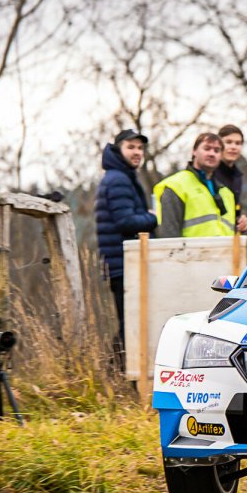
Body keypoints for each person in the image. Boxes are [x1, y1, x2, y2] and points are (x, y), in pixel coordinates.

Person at [95, 129, 158, 356]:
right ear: (118, 149)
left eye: (140, 148)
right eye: (131, 147)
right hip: (123, 263)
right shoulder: (118, 179)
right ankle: (118, 373)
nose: (137, 152)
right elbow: (126, 221)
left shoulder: (123, 176)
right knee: (130, 323)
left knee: (130, 321)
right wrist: (153, 217)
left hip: (125, 262)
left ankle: (119, 373)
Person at [154, 133, 236, 237]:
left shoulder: (227, 194)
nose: (212, 154)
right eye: (207, 148)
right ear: (194, 151)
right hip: (189, 253)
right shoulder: (176, 186)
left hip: (222, 253)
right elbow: (169, 234)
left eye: (217, 150)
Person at [214, 125, 247, 233]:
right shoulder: (210, 174)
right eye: (228, 142)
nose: (233, 147)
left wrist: (240, 223)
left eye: (238, 143)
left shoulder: (237, 177)